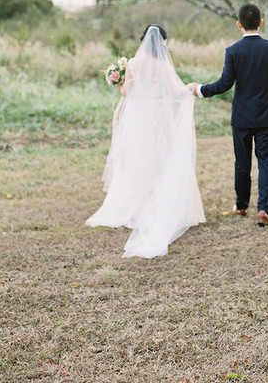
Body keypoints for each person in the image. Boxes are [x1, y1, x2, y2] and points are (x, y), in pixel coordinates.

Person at [86, 24, 205, 258]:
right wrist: (189, 88)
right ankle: (158, 205)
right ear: (162, 44)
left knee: (136, 160)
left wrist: (118, 81)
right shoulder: (162, 66)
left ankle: (137, 207)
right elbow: (173, 94)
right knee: (161, 161)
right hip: (158, 118)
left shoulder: (132, 63)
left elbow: (126, 93)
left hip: (137, 119)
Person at [188, 4, 268, 227]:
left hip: (242, 117)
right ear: (260, 23)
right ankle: (263, 209)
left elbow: (225, 84)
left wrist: (201, 90)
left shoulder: (233, 51)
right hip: (265, 116)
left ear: (239, 24)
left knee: (242, 163)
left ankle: (241, 205)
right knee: (265, 162)